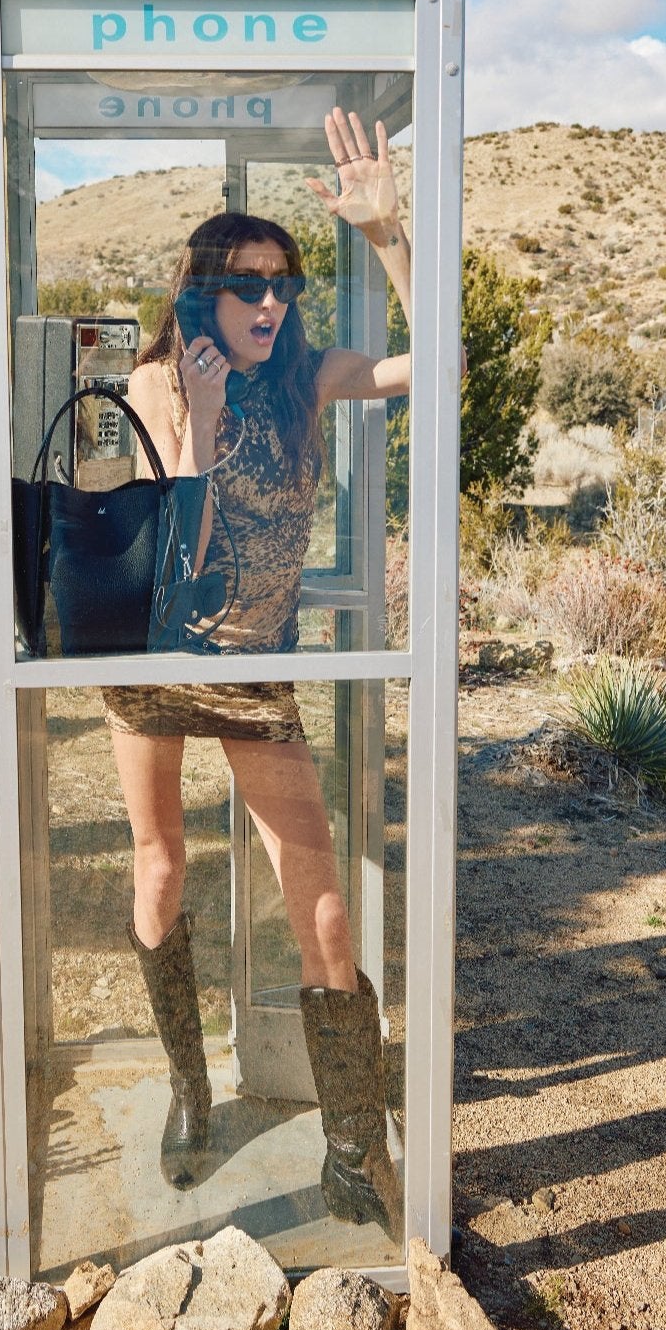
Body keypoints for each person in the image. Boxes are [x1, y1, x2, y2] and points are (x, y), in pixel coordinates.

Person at [103, 108, 412, 1239]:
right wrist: (201, 422)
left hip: (254, 669)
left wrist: (389, 235)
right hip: (154, 658)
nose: (270, 303)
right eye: (246, 286)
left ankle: (350, 1143)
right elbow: (172, 564)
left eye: (280, 281)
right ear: (200, 294)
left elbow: (438, 363)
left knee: (322, 899)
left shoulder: (307, 379)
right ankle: (191, 1089)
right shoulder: (154, 383)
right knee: (160, 860)